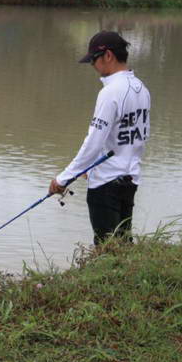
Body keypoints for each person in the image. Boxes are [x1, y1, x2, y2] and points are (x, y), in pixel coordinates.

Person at [49, 31, 151, 245]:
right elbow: (138, 138)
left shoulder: (110, 92)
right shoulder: (142, 89)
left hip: (106, 184)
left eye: (93, 59)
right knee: (123, 243)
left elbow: (93, 142)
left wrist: (63, 179)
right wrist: (89, 168)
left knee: (106, 247)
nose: (93, 66)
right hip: (130, 179)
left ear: (108, 56)